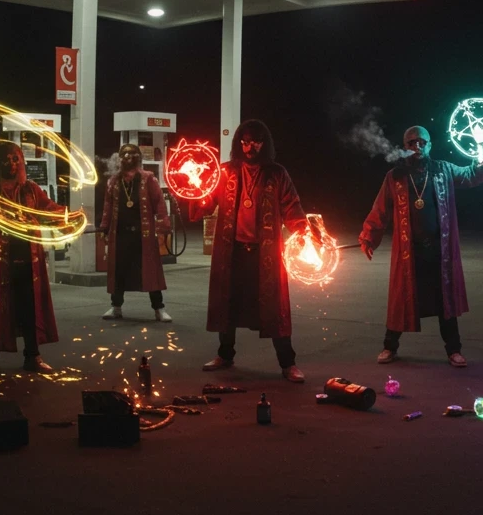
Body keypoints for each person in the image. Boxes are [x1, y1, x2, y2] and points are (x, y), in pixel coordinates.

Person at [189, 120, 319, 382]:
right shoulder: (225, 172)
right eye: (245, 142)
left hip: (265, 254)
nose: (250, 147)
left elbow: (292, 207)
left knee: (274, 308)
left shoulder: (277, 174)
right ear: (239, 143)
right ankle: (225, 355)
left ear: (264, 143)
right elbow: (205, 203)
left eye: (256, 142)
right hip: (232, 252)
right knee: (228, 303)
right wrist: (195, 187)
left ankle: (288, 363)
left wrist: (305, 233)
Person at [360, 126, 483, 367]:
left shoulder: (443, 169)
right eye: (412, 142)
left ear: (430, 145)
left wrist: (482, 153)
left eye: (422, 142)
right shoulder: (395, 176)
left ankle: (454, 350)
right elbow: (380, 209)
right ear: (405, 146)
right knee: (402, 299)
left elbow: (470, 174)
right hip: (409, 251)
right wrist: (369, 236)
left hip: (439, 250)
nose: (418, 146)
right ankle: (390, 347)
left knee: (445, 301)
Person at [0, 142, 64, 375]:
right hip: (0, 259)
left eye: (16, 159)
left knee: (31, 307)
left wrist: (68, 216)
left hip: (29, 258)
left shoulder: (30, 189)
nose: (12, 164)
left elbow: (48, 208)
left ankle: (33, 356)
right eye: (6, 159)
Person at [99, 144, 172, 322]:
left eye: (132, 153)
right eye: (124, 154)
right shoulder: (114, 181)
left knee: (151, 271)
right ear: (119, 158)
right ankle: (116, 307)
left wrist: (163, 226)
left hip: (143, 235)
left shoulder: (148, 178)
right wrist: (104, 227)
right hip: (120, 234)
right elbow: (108, 206)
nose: (127, 156)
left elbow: (159, 203)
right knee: (119, 271)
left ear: (138, 157)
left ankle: (159, 308)